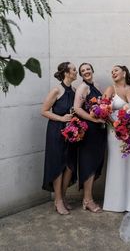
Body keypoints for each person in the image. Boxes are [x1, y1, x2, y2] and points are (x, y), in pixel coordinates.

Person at [42, 62, 78, 215]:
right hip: (56, 131)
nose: (76, 72)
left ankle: (63, 197)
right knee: (57, 164)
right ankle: (57, 200)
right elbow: (43, 111)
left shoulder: (75, 90)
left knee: (69, 164)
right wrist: (62, 119)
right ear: (66, 73)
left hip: (72, 132)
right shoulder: (57, 90)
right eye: (74, 70)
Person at [103, 65, 130, 212]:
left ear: (124, 73)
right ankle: (115, 202)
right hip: (115, 133)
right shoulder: (110, 89)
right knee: (117, 163)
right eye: (111, 72)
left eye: (116, 70)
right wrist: (116, 126)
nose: (113, 73)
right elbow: (103, 111)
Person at [73, 62, 107, 213]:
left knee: (95, 163)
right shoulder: (83, 87)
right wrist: (93, 119)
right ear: (81, 75)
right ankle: (88, 200)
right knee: (89, 164)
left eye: (88, 69)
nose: (86, 71)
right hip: (89, 131)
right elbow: (77, 108)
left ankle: (88, 198)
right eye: (83, 71)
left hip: (99, 130)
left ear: (92, 70)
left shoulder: (96, 86)